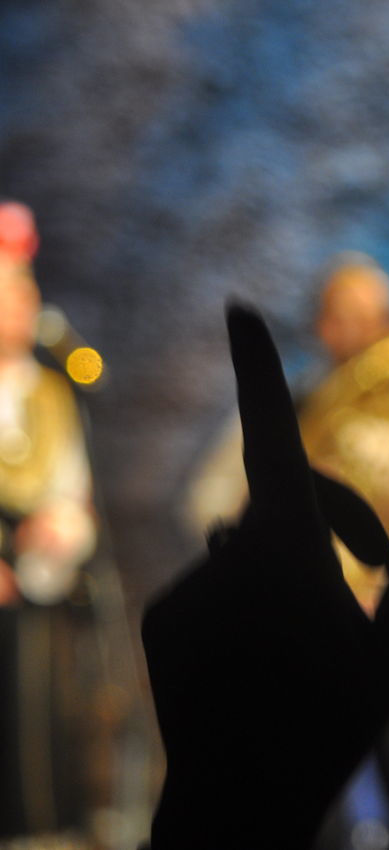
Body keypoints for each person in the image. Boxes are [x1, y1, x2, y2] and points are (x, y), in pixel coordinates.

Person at [185, 255, 389, 850]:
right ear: (323, 327)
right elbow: (206, 503)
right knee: (303, 812)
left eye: (381, 317)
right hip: (298, 631)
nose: (371, 331)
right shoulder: (284, 411)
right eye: (351, 317)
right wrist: (271, 502)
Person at [0, 201, 99, 841]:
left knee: (36, 759)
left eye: (24, 293)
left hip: (35, 600)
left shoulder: (52, 394)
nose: (21, 307)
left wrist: (59, 531)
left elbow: (75, 498)